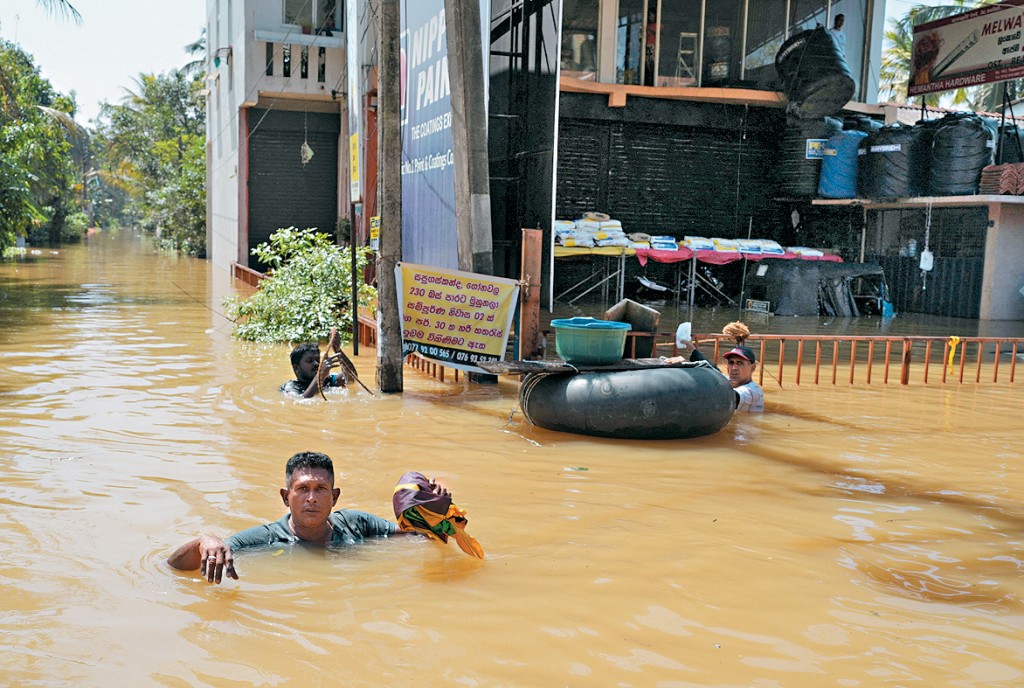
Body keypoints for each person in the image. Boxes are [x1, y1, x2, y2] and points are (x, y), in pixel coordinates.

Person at [167, 451, 421, 584]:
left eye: (320, 490)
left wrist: (433, 506)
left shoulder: (355, 524)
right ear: (285, 497)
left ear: (334, 496)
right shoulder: (264, 540)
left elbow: (417, 534)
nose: (311, 498)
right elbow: (174, 567)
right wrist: (205, 541)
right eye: (302, 489)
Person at [666, 341, 765, 413]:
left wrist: (688, 366)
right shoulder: (729, 382)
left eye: (739, 363)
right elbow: (713, 370)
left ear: (752, 368)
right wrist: (692, 352)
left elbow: (726, 395)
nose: (734, 368)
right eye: (731, 362)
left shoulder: (753, 392)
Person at [280, 342, 347, 398]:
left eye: (318, 360)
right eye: (310, 361)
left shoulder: (327, 380)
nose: (316, 363)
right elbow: (301, 401)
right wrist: (320, 375)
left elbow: (351, 378)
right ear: (296, 368)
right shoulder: (291, 387)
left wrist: (337, 349)